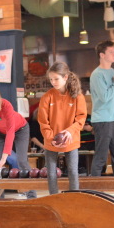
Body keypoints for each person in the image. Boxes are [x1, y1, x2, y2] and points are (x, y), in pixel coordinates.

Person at [0, 83, 35, 199]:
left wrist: (4, 158)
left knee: (22, 161)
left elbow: (10, 131)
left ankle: (32, 196)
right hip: (0, 132)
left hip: (20, 129)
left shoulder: (6, 105)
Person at [37, 62, 87, 195]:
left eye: (56, 79)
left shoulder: (78, 96)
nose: (53, 82)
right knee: (51, 173)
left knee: (73, 172)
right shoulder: (47, 97)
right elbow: (43, 122)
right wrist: (51, 138)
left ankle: (73, 199)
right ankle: (53, 199)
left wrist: (70, 131)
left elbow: (81, 118)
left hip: (71, 139)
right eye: (51, 79)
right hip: (51, 141)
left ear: (65, 77)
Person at [89, 40, 114, 177]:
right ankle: (94, 187)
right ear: (102, 55)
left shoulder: (112, 71)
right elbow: (104, 97)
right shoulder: (96, 74)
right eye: (111, 52)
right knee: (101, 157)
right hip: (102, 120)